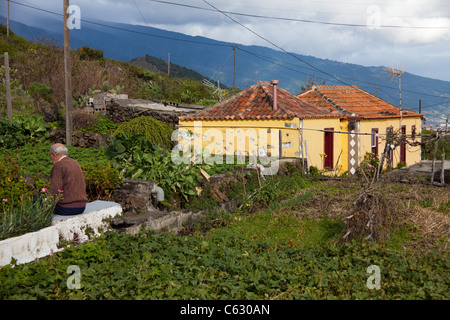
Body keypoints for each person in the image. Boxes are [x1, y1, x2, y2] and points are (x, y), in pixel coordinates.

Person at [49, 143, 88, 215]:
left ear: (53, 154)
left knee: (38, 199)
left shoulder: (59, 165)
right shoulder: (75, 162)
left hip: (67, 208)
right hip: (82, 207)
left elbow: (55, 189)